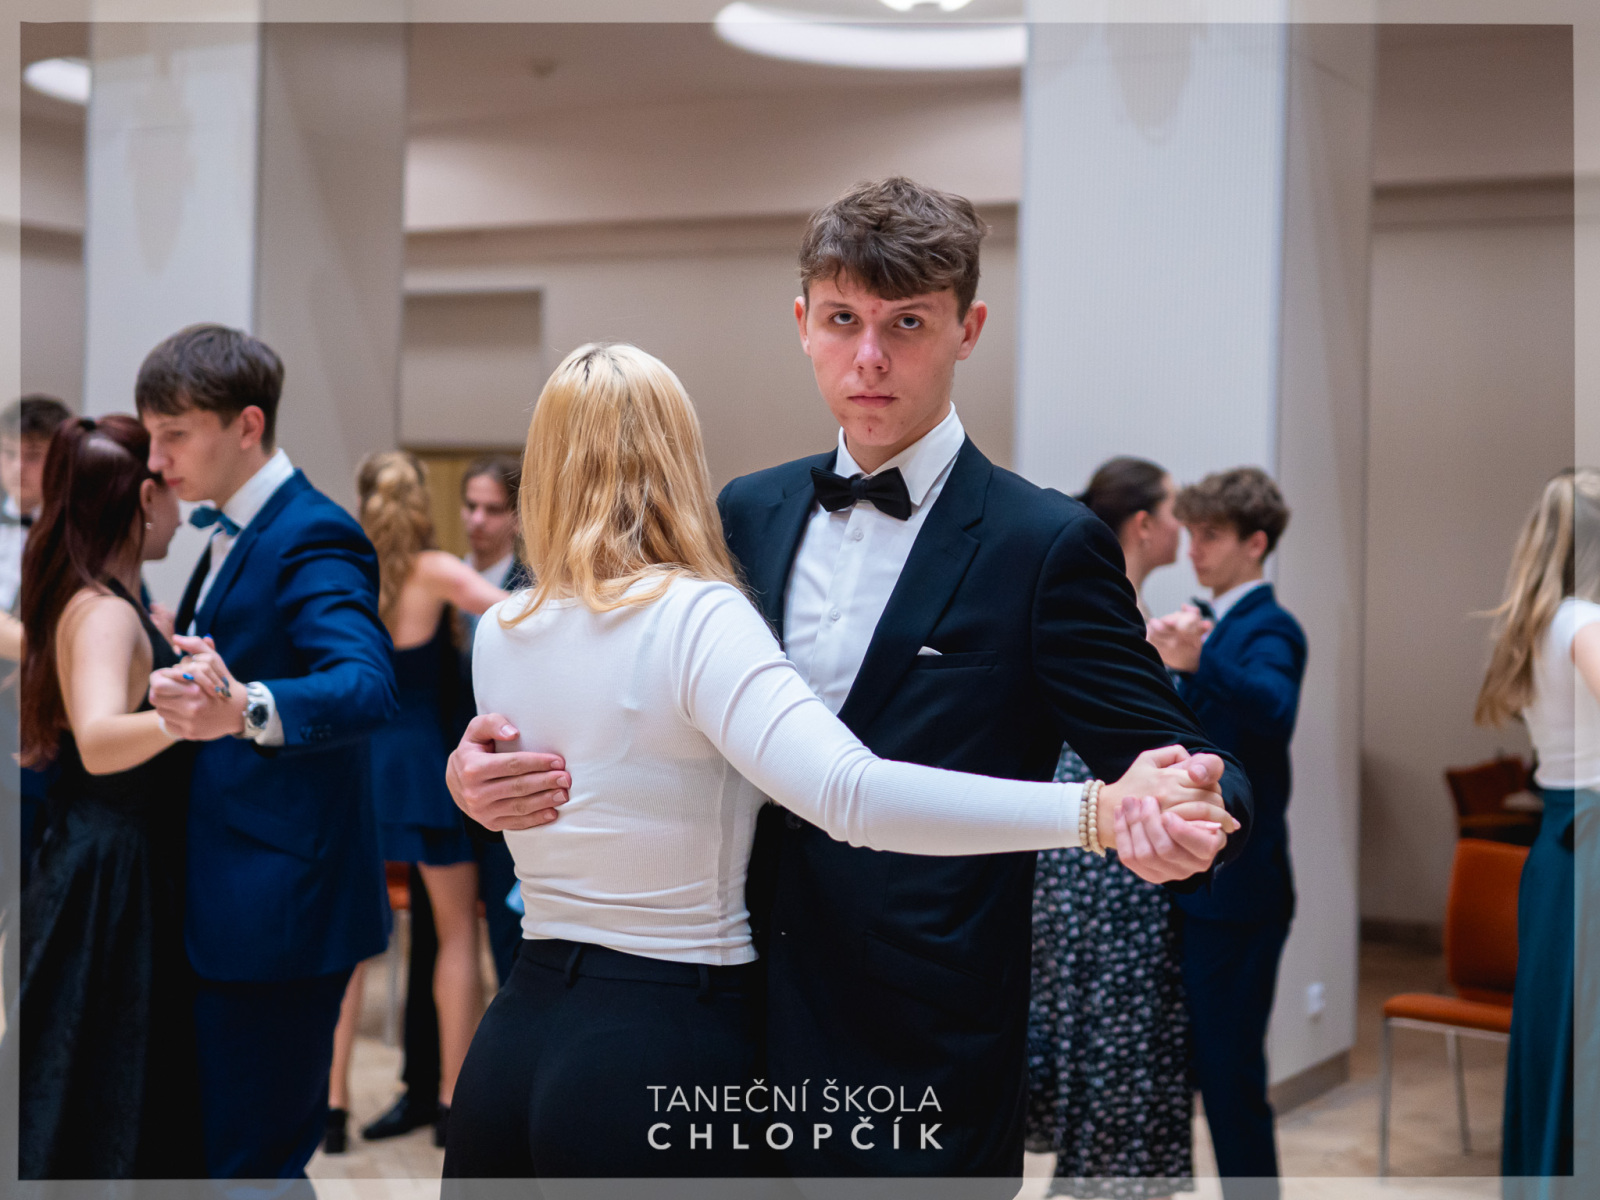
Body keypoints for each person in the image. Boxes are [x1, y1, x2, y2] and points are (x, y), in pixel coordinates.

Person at [447, 178, 1254, 1189]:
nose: (869, 357)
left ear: (967, 329)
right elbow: (624, 704)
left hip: (919, 1044)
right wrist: (477, 774)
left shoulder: (1044, 546)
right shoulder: (742, 513)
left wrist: (1190, 810)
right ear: (803, 325)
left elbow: (1176, 755)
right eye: (842, 320)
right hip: (720, 1029)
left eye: (906, 323)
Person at [137, 324, 398, 1183]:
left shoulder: (312, 532)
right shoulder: (230, 531)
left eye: (175, 435)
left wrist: (245, 707)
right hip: (231, 900)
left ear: (247, 425)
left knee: (254, 1168)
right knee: (223, 1157)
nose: (157, 460)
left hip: (280, 911)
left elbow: (365, 684)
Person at [16, 414, 198, 1178]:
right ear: (143, 498)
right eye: (169, 486)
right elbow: (96, 736)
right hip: (108, 882)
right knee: (95, 1100)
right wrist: (191, 714)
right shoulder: (106, 611)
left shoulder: (107, 602)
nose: (182, 506)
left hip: (103, 867)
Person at [324, 451, 507, 1154]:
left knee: (352, 944)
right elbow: (515, 610)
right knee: (457, 935)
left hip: (360, 769)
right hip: (426, 772)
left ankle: (333, 1107)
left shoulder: (348, 573)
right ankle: (452, 1102)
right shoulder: (434, 570)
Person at [1028, 456, 1194, 1199]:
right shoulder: (1102, 602)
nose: (1185, 527)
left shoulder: (1129, 604)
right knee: (1113, 1020)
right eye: (1176, 511)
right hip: (1100, 841)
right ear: (1145, 524)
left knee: (1113, 1018)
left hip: (1098, 838)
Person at [1147, 467, 1307, 1200]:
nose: (1195, 551)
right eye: (1193, 533)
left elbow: (1274, 710)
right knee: (1196, 1067)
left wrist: (1198, 661)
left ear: (1256, 543)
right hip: (1195, 884)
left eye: (1211, 536)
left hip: (1241, 892)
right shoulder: (1202, 620)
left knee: (1230, 1076)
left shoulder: (1273, 627)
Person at [1476, 468, 1598, 1189]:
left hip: (1559, 845)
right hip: (1589, 843)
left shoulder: (1542, 623)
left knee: (1560, 1033)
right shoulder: (1584, 623)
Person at [2, 394, 76, 888]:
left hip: (29, 741)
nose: (16, 469)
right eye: (7, 453)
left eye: (32, 456)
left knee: (24, 884)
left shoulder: (81, 537)